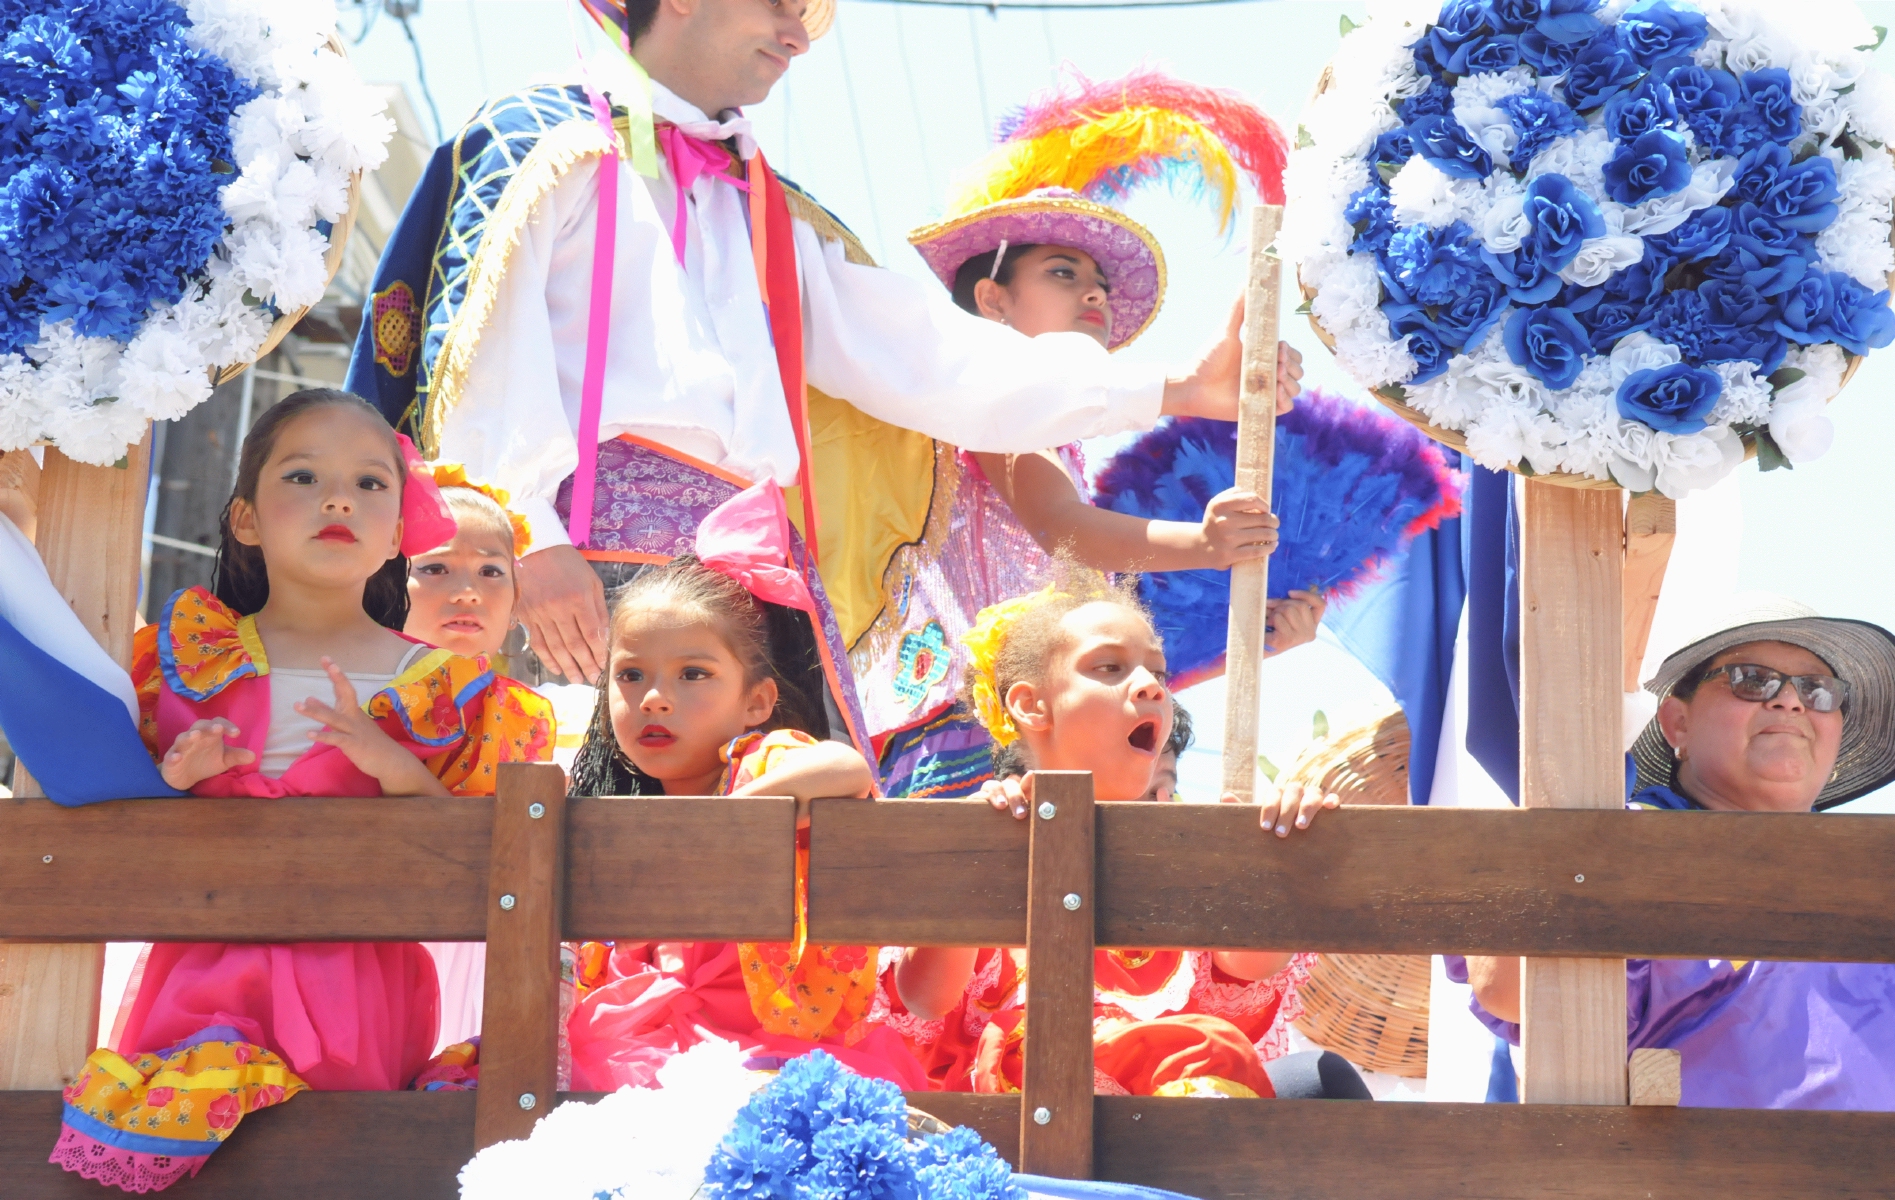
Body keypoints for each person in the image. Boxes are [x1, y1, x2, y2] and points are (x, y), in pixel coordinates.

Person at [345, 5, 1290, 768]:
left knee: (790, 885)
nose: (799, 34)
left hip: (761, 574)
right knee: (592, 865)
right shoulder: (541, 145)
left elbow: (928, 360)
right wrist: (532, 544)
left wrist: (1172, 386)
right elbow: (475, 360)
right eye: (783, 4)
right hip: (591, 569)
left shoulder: (771, 208)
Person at [55, 390, 555, 1188]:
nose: (336, 499)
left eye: (368, 484)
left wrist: (393, 767)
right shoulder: (182, 659)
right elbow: (117, 824)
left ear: (398, 532)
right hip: (204, 969)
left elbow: (470, 859)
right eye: (301, 476)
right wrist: (176, 781)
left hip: (354, 984)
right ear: (246, 518)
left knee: (333, 1171)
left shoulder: (447, 692)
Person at [861, 69, 1311, 799]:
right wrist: (1203, 543)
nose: (1093, 291)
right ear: (991, 299)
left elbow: (1104, 653)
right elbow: (1061, 528)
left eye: (1095, 279)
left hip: (1052, 730)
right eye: (1063, 272)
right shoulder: (985, 405)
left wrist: (1251, 642)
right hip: (972, 725)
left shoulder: (1054, 435)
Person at [876, 575, 1367, 1099]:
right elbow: (928, 1000)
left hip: (1174, 1110)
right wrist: (972, 861)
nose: (1152, 686)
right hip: (1021, 1118)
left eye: (1158, 672)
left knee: (1318, 1080)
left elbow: (1251, 965)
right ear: (1032, 705)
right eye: (1109, 667)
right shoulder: (981, 831)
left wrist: (1273, 857)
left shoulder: (1188, 852)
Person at [562, 481, 927, 1091]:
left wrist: (731, 824)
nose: (654, 698)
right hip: (652, 1047)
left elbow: (847, 769)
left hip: (776, 1054)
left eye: (693, 674)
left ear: (757, 702)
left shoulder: (761, 761)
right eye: (630, 675)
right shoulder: (614, 813)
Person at [1464, 596, 1895, 1109]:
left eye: (1818, 690)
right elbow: (1510, 991)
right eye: (1753, 680)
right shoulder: (1618, 848)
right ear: (1677, 724)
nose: (1791, 702)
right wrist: (1579, 836)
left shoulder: (1873, 876)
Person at [401, 467, 541, 1055]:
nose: (467, 592)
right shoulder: (358, 690)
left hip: (477, 937)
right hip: (360, 924)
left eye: (491, 571)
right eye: (434, 568)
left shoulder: (529, 714)